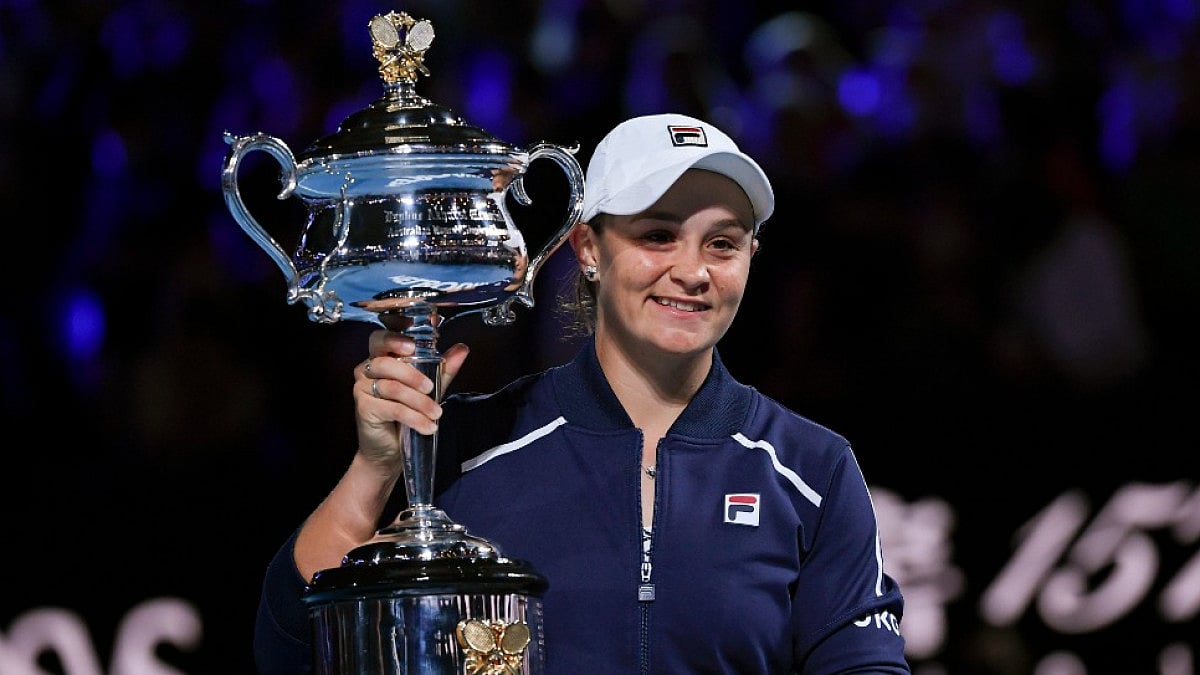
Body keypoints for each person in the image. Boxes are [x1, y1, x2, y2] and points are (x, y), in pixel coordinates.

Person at [253, 113, 911, 673]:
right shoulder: (469, 445)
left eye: (722, 243)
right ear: (588, 247)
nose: (692, 271)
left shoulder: (812, 468)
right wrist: (377, 464)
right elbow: (292, 649)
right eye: (658, 235)